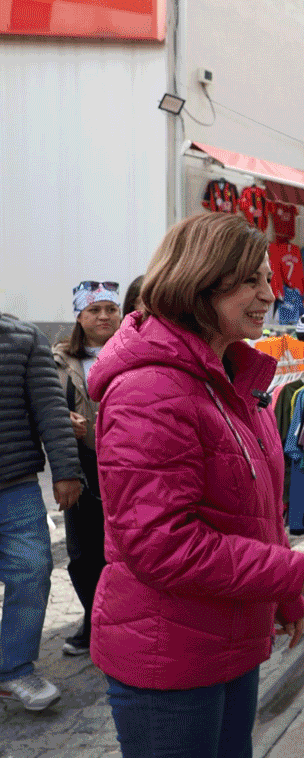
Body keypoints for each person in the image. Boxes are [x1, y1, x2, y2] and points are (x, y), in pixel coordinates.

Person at [88, 212, 304, 758]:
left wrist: (283, 594)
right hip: (169, 658)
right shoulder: (149, 391)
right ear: (200, 283)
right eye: (250, 281)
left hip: (227, 644)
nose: (269, 295)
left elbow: (255, 508)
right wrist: (294, 572)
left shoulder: (230, 377)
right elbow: (162, 545)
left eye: (268, 279)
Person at [0, 314, 82, 712]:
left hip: (15, 485)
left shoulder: (22, 338)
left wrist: (66, 470)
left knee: (32, 571)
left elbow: (50, 407)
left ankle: (14, 669)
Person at [52, 280, 123, 657]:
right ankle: (93, 620)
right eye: (94, 310)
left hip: (130, 465)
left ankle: (124, 620)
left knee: (125, 547)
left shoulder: (134, 352)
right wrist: (64, 419)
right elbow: (43, 407)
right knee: (83, 552)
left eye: (111, 309)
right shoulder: (59, 361)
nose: (104, 316)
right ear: (79, 316)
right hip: (83, 463)